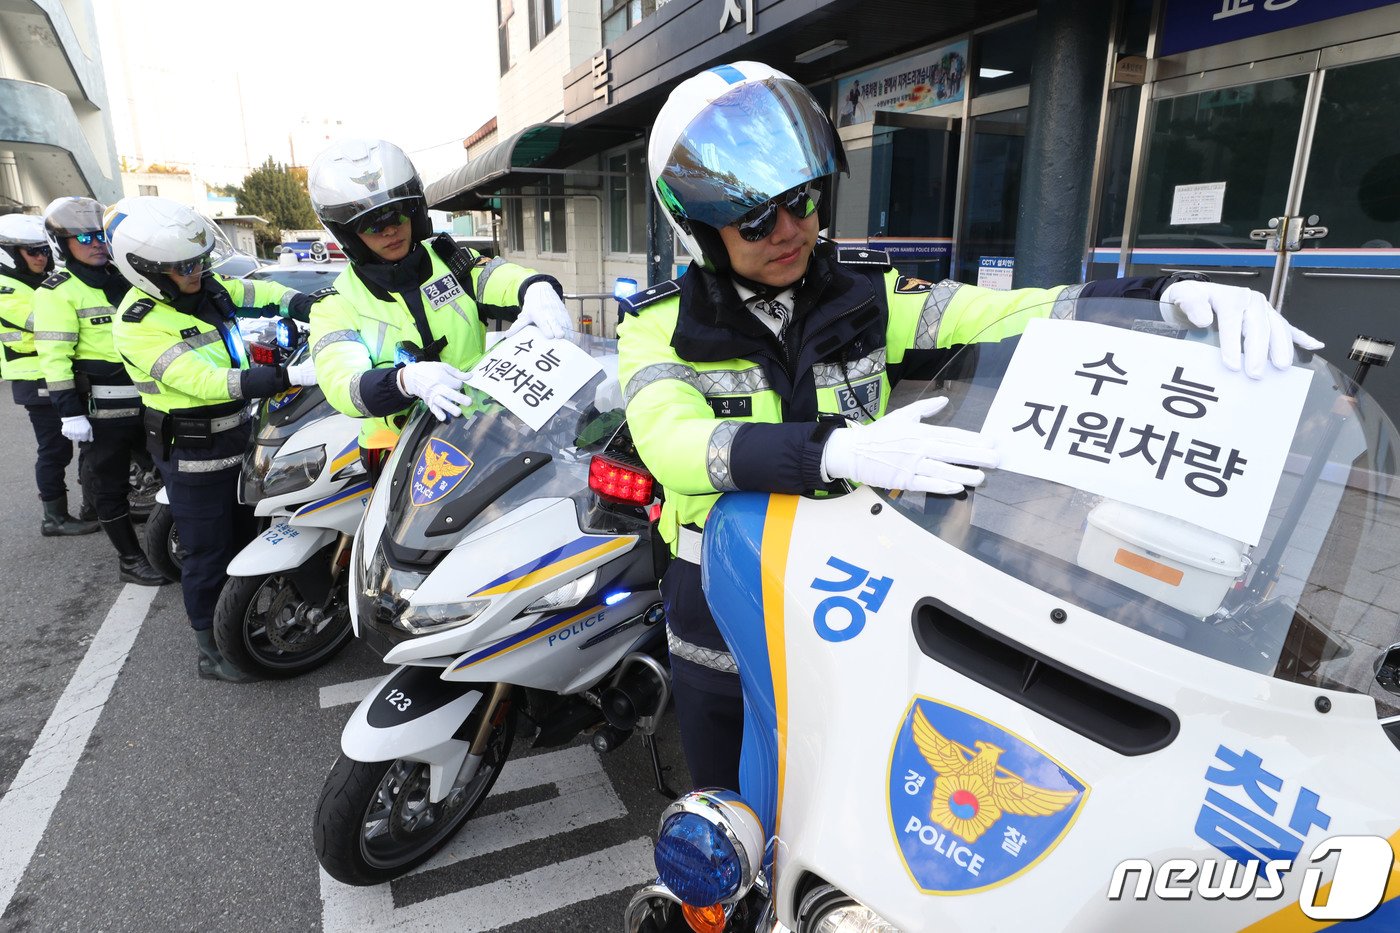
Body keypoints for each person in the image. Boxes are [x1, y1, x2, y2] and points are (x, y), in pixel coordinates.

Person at [617, 61, 1323, 791]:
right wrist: (835, 450)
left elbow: (1011, 312)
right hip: (724, 581)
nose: (791, 229)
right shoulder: (658, 328)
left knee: (851, 773)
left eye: (802, 200)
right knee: (722, 798)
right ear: (698, 227)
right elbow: (673, 445)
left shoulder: (866, 294)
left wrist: (1159, 298)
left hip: (848, 572)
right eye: (757, 217)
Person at [107, 196, 318, 682]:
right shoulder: (139, 324)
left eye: (200, 261)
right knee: (207, 551)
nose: (197, 271)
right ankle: (211, 650)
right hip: (193, 450)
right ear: (148, 271)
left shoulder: (203, 286)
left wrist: (304, 300)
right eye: (185, 266)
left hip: (239, 434)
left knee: (246, 534)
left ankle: (239, 624)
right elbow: (201, 380)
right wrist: (286, 376)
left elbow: (253, 289)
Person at [306, 138, 573, 458]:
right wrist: (402, 381)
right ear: (347, 234)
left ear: (415, 210)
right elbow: (342, 383)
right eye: (370, 223)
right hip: (397, 450)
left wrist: (533, 286)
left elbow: (495, 277)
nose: (389, 230)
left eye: (396, 213)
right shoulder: (335, 303)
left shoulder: (451, 261)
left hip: (479, 432)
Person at [33, 196, 166, 584]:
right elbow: (54, 358)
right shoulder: (57, 292)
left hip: (151, 400)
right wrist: (68, 411)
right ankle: (130, 559)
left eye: (100, 236)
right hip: (102, 412)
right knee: (107, 487)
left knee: (170, 472)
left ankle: (173, 543)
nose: (95, 243)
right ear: (62, 244)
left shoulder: (127, 279)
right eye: (84, 237)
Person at [0, 213, 99, 537]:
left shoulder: (33, 282)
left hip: (56, 375)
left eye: (44, 249)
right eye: (33, 251)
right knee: (55, 449)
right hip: (36, 378)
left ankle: (92, 504)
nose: (42, 257)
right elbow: (48, 323)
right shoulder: (6, 291)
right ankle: (54, 517)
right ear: (10, 254)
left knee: (88, 441)